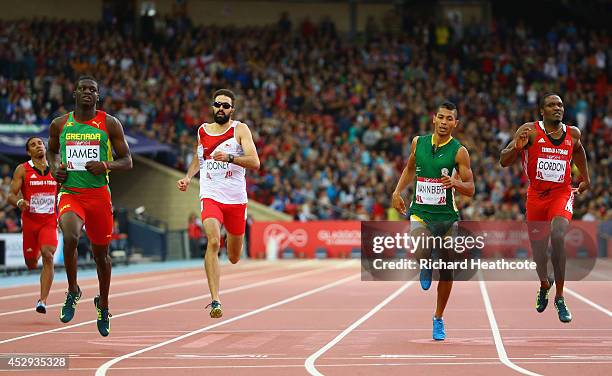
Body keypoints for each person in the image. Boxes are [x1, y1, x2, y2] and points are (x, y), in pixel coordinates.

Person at [47, 76, 132, 336]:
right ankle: (73, 290)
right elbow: (51, 153)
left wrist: (106, 165)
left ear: (98, 96)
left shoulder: (109, 123)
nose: (87, 92)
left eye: (92, 90)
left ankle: (103, 305)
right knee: (71, 238)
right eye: (82, 88)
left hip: (98, 197)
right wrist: (54, 169)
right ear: (74, 93)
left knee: (101, 257)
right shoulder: (60, 124)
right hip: (71, 193)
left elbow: (127, 160)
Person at [500, 93, 590, 323]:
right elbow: (504, 160)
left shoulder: (573, 133)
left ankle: (560, 296)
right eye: (551, 105)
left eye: (560, 105)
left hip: (561, 193)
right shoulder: (529, 131)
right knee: (539, 253)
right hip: (536, 197)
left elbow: (578, 150)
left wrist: (585, 179)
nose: (557, 108)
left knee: (559, 235)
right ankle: (544, 284)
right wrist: (516, 149)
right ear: (542, 110)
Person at [392, 101, 475, 340]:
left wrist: (456, 183)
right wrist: (397, 192)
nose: (444, 122)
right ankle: (426, 261)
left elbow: (470, 188)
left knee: (448, 271)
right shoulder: (418, 142)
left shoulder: (459, 151)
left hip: (447, 217)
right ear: (434, 119)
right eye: (441, 117)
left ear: (455, 123)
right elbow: (409, 168)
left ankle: (438, 318)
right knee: (420, 248)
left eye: (450, 119)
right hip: (421, 212)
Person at [177, 89, 260, 318]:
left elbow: (255, 162)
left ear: (232, 110)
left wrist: (231, 157)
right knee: (213, 242)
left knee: (234, 256)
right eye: (217, 104)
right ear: (212, 107)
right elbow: (199, 157)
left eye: (226, 106)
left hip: (235, 200)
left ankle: (230, 242)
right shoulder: (202, 131)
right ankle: (215, 300)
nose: (221, 109)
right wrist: (187, 177)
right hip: (211, 194)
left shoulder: (239, 129)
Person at [7, 137, 58, 314]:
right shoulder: (23, 169)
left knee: (48, 254)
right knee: (30, 263)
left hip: (49, 221)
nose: (38, 146)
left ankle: (42, 300)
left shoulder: (57, 167)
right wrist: (20, 201)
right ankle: (33, 253)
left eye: (40, 143)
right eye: (33, 145)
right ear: (29, 152)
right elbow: (10, 195)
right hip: (30, 221)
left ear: (44, 147)